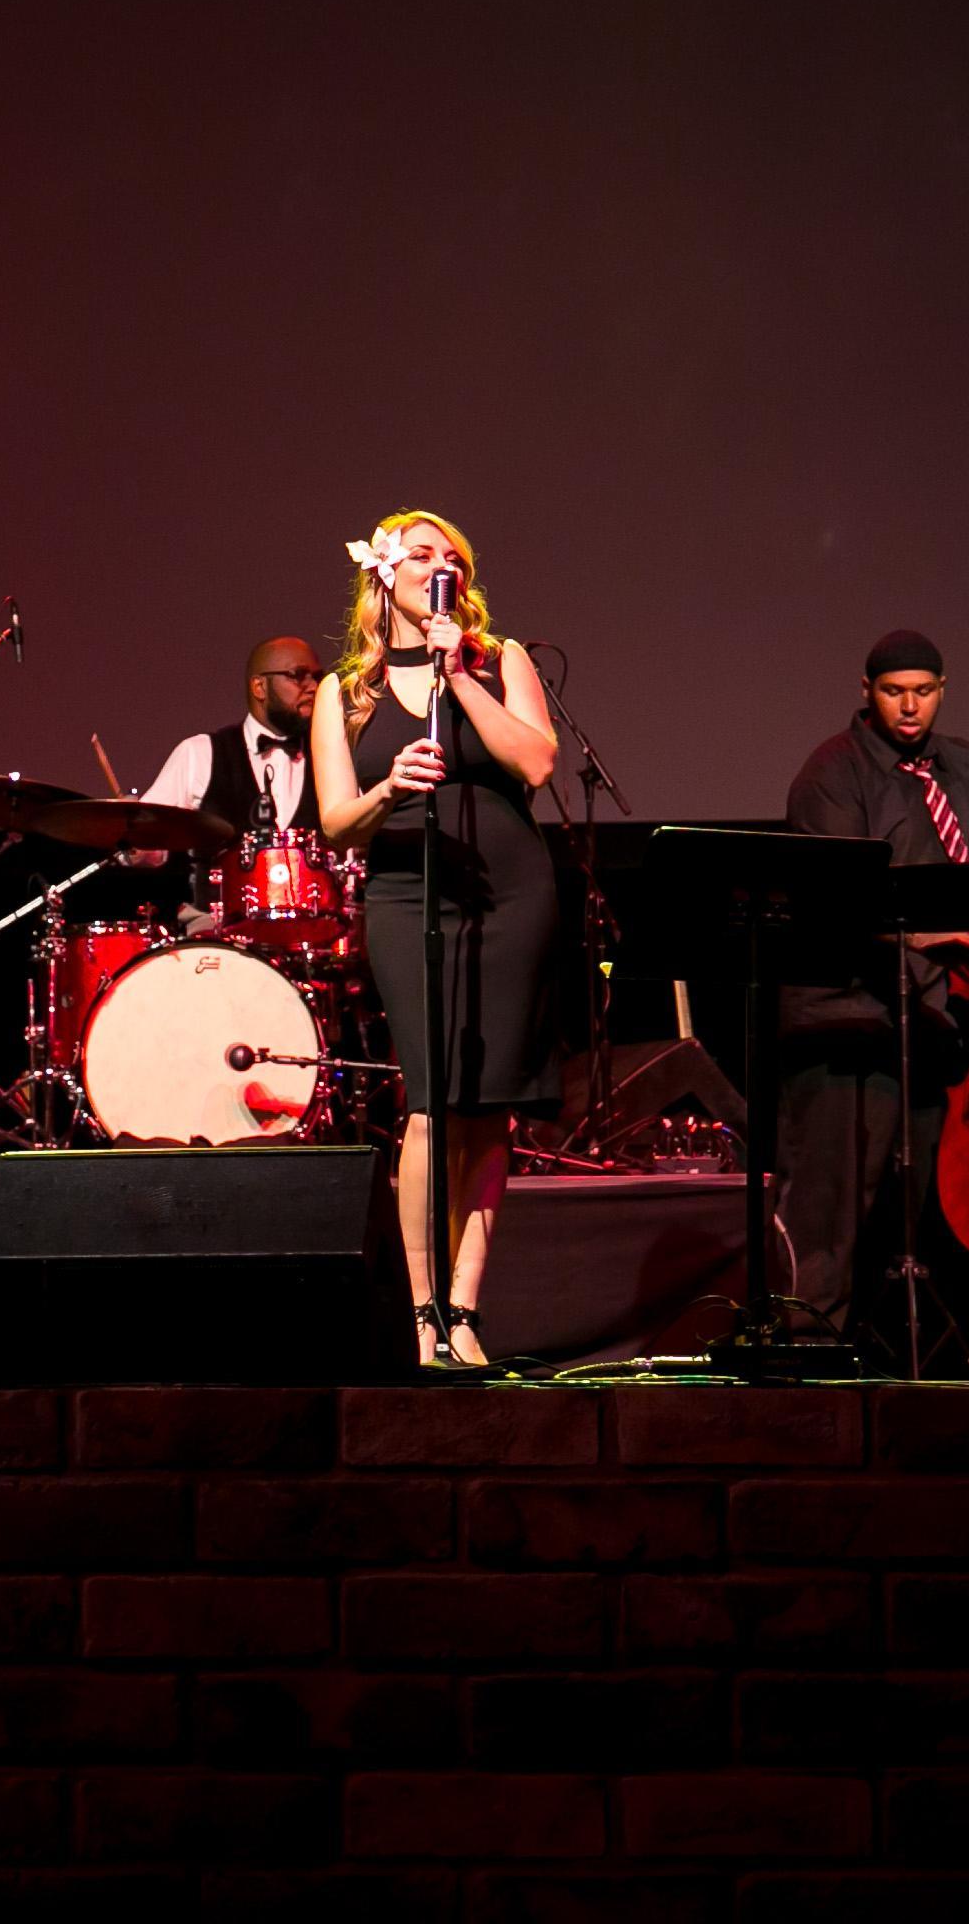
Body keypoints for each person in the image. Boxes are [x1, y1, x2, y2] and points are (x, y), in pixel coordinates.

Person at [777, 629, 969, 1363]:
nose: (909, 707)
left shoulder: (968, 766)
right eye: (893, 692)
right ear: (867, 691)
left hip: (939, 1025)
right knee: (831, 1217)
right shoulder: (832, 772)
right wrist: (932, 937)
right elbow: (834, 900)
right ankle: (807, 1361)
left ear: (943, 690)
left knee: (930, 1220)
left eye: (923, 691)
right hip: (847, 1024)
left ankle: (931, 1359)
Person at [313, 511, 559, 1368]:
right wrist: (388, 788)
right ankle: (420, 1315)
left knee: (488, 1108)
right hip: (405, 892)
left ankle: (465, 1309)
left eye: (452, 557)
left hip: (509, 895)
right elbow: (336, 821)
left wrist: (461, 678)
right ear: (384, 573)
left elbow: (535, 764)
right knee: (430, 1100)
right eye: (421, 554)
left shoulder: (499, 658)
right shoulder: (348, 690)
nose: (439, 566)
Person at [123, 634, 328, 891]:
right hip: (213, 915)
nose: (313, 687)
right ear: (259, 687)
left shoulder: (330, 759)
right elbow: (149, 846)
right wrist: (133, 838)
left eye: (317, 677)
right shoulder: (199, 753)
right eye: (298, 675)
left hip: (317, 914)